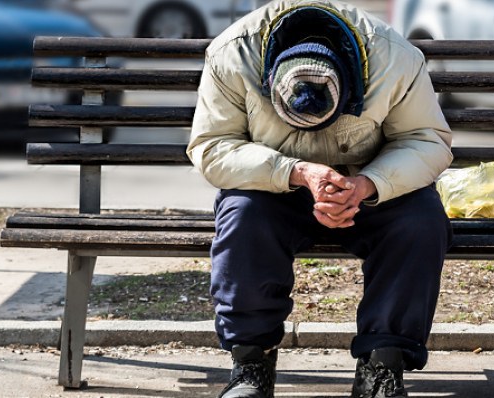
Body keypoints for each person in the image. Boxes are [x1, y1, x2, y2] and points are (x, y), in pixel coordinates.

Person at [187, 1, 453, 396]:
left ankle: (383, 364)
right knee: (242, 215)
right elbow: (212, 147)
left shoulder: (395, 57)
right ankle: (251, 364)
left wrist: (368, 184)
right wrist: (296, 171)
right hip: (275, 187)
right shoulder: (232, 52)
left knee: (421, 221)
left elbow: (425, 139)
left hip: (368, 185)